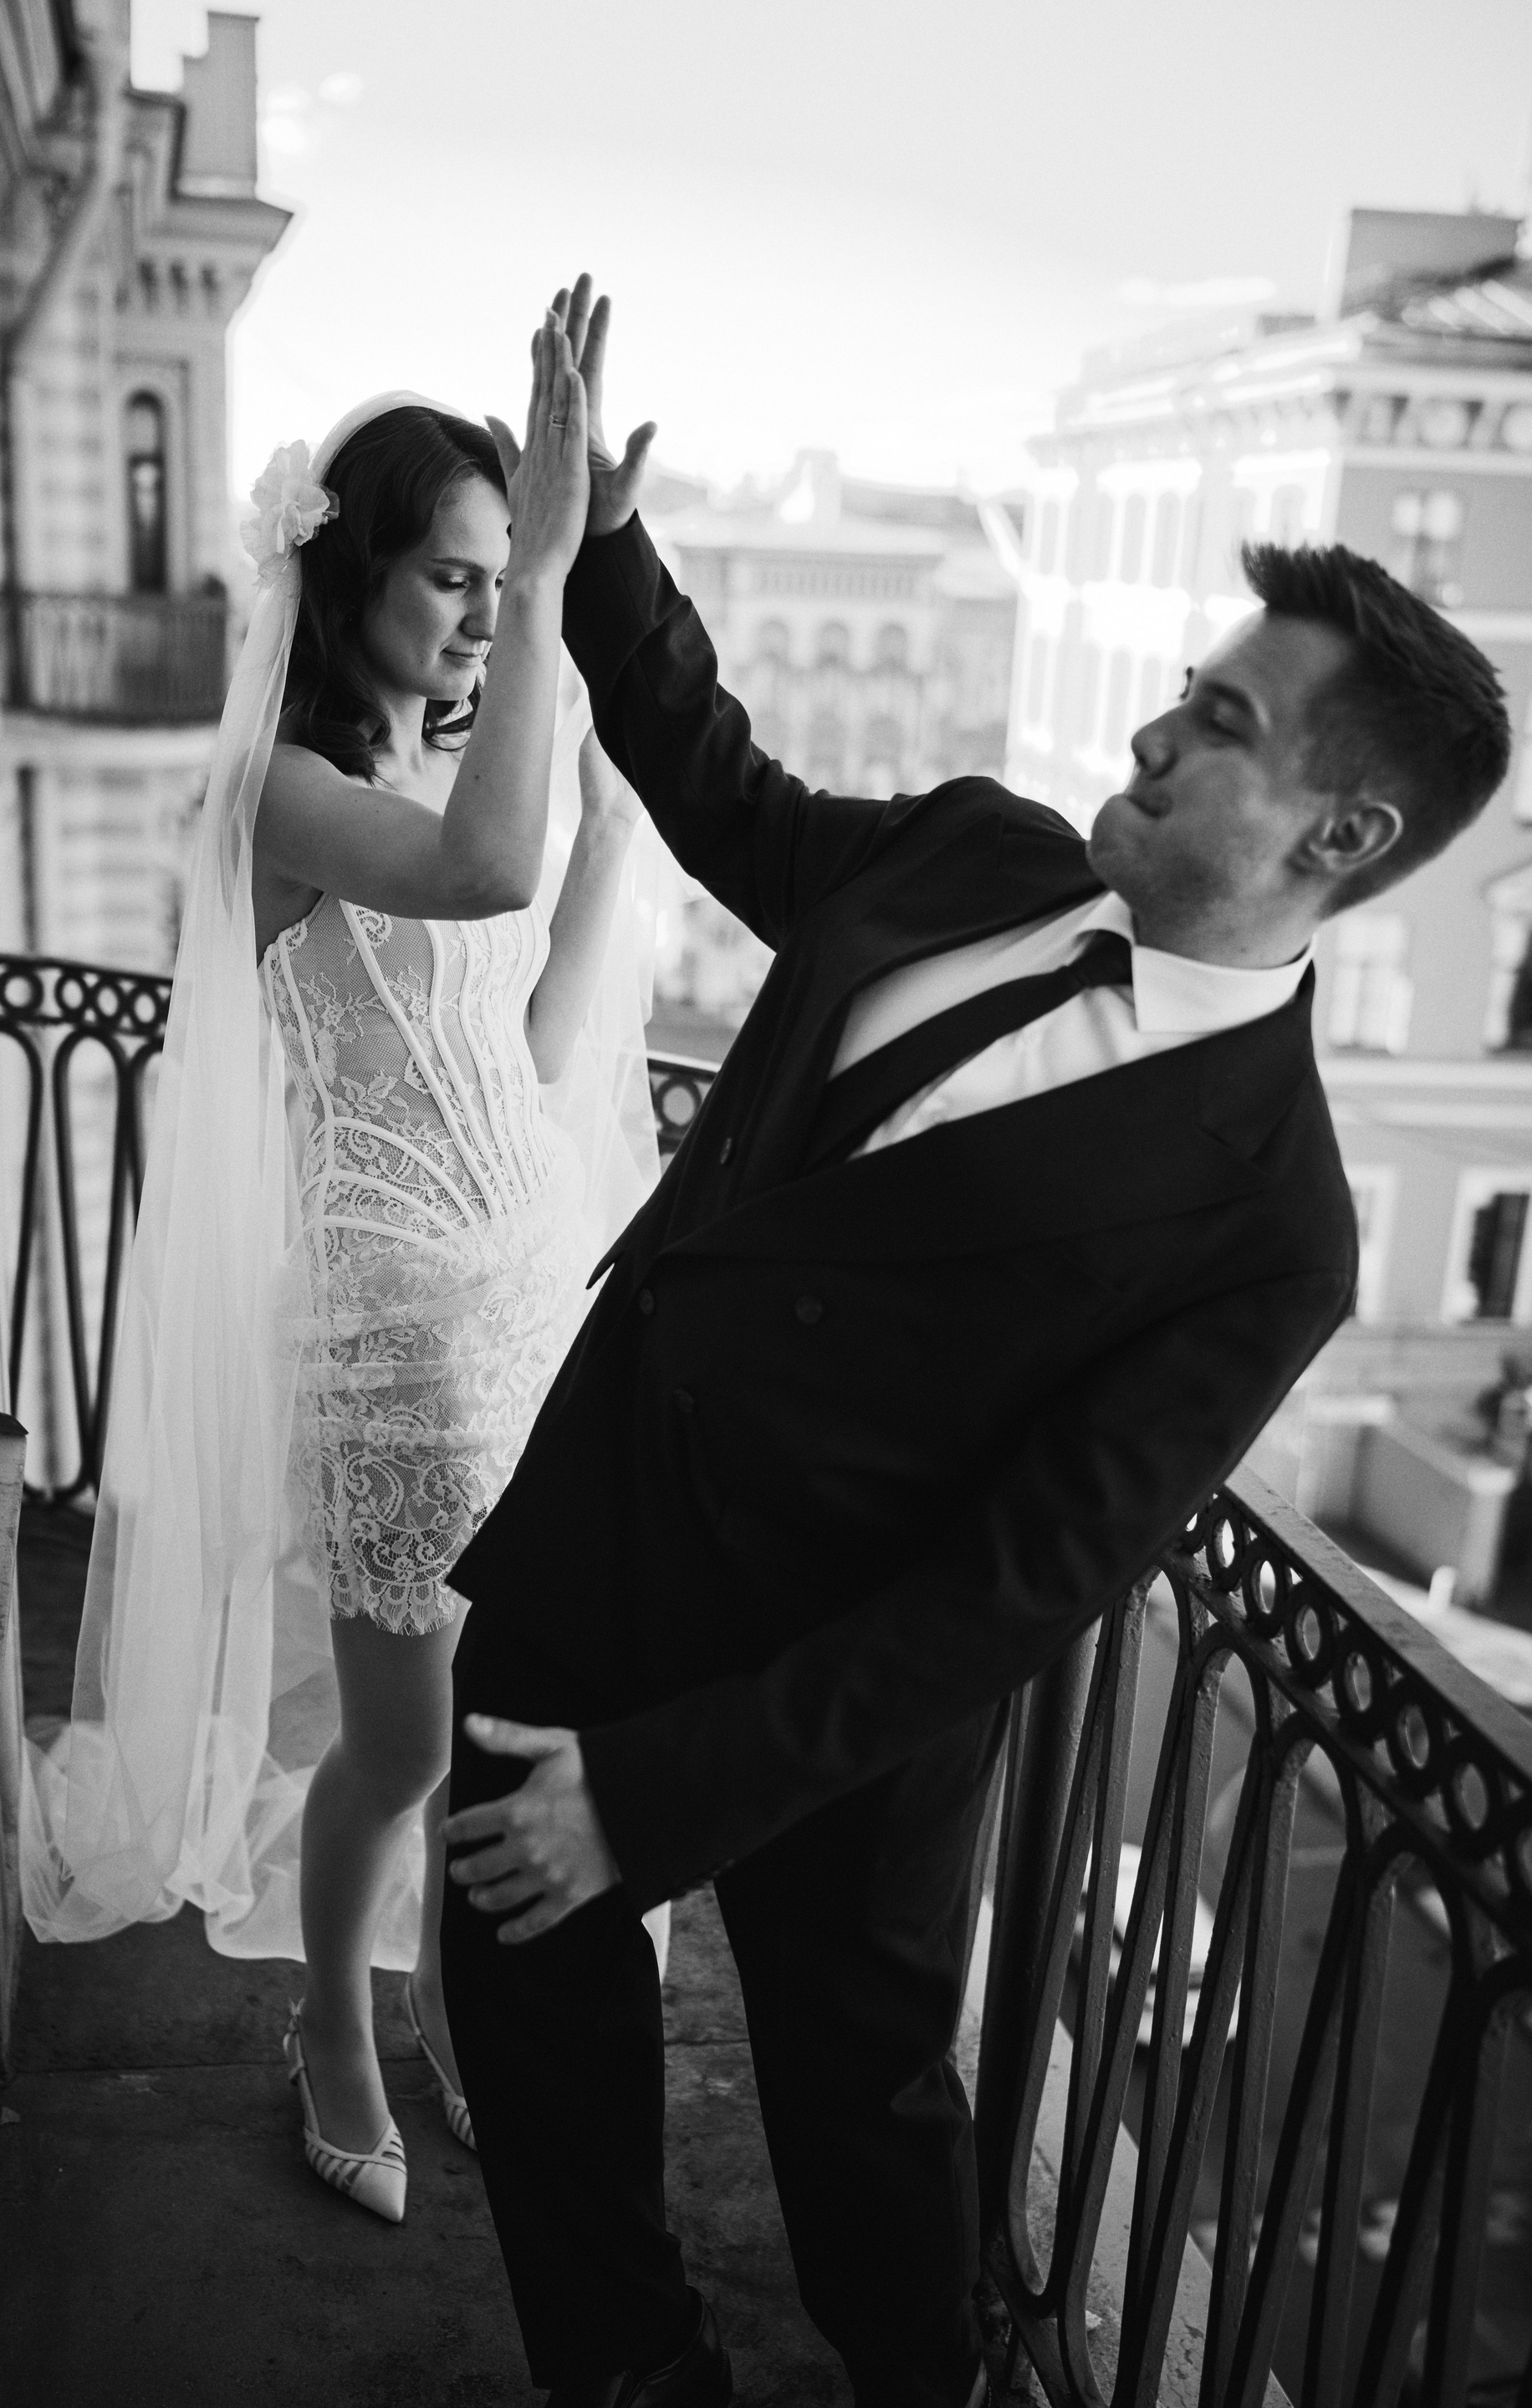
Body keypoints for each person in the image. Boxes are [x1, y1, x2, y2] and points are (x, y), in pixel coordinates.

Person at [435, 281, 1512, 2405]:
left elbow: (1020, 1583)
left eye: (1221, 723)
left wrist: (658, 1795)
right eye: (1183, 693)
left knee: (860, 2118)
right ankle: (633, 2375)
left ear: (1342, 836)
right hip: (602, 1537)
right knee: (525, 1999)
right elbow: (731, 794)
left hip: (834, 1712)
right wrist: (599, 552)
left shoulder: (1274, 1222)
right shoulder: (979, 852)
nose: (1155, 733)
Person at [21, 333, 663, 2228]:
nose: (483, 616)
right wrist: (560, 581)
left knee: (502, 1729)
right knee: (400, 1746)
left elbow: (527, 1048)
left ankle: (465, 2022)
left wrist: (622, 829)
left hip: (529, 1300)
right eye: (454, 576)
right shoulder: (281, 797)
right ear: (352, 571)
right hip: (388, 1335)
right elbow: (480, 875)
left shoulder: (461, 770)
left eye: (498, 580)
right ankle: (331, 2030)